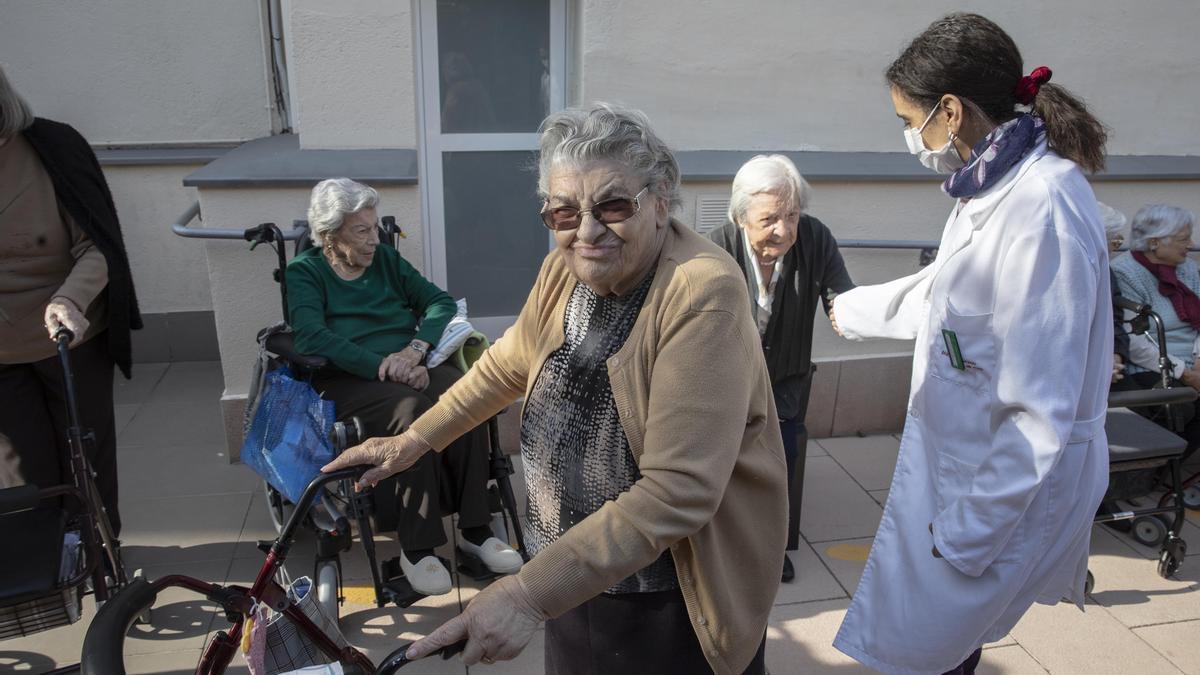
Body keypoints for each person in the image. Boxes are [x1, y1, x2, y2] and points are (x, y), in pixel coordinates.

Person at [325, 103, 787, 674]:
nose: (587, 231)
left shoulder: (702, 291)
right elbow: (505, 368)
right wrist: (415, 441)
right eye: (564, 212)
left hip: (665, 601)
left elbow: (679, 491)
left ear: (661, 200)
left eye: (613, 205)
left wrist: (524, 595)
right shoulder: (565, 270)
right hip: (571, 573)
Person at [828, 13, 1112, 674]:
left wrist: (966, 536)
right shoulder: (990, 186)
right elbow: (952, 296)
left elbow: (1038, 411)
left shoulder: (1040, 203)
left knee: (929, 650)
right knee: (938, 648)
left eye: (909, 120)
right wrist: (851, 309)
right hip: (969, 473)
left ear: (949, 111)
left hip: (996, 497)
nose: (908, 135)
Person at [286, 177, 522, 596]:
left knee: (466, 398)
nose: (374, 239)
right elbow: (310, 337)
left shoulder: (386, 262)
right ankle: (418, 548)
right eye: (362, 231)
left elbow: (439, 302)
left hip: (408, 365)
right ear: (329, 234)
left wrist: (415, 351)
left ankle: (476, 530)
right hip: (347, 378)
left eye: (374, 227)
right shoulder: (305, 273)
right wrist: (384, 366)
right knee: (411, 412)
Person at [0, 65, 141, 536]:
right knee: (24, 467)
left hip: (69, 331)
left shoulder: (53, 147)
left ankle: (103, 550)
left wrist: (69, 300)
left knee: (87, 457)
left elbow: (99, 245)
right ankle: (52, 563)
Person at [707, 154, 853, 583]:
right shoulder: (715, 249)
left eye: (792, 215)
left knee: (780, 460)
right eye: (770, 218)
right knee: (726, 462)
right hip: (726, 382)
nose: (785, 230)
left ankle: (771, 547)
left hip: (787, 379)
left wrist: (851, 315)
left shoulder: (815, 238)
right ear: (741, 216)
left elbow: (840, 294)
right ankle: (722, 542)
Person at [1110, 205, 1200, 450]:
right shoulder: (1124, 272)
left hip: (1193, 363)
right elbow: (1134, 342)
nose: (1191, 245)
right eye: (1183, 239)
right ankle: (1163, 479)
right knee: (1181, 408)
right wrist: (1187, 373)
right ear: (1154, 242)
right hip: (1153, 365)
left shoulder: (1188, 268)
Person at [1099, 202, 1130, 384]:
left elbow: (1116, 319)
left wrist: (1116, 356)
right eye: (1114, 242)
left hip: (1108, 363)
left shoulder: (1106, 271)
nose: (1115, 249)